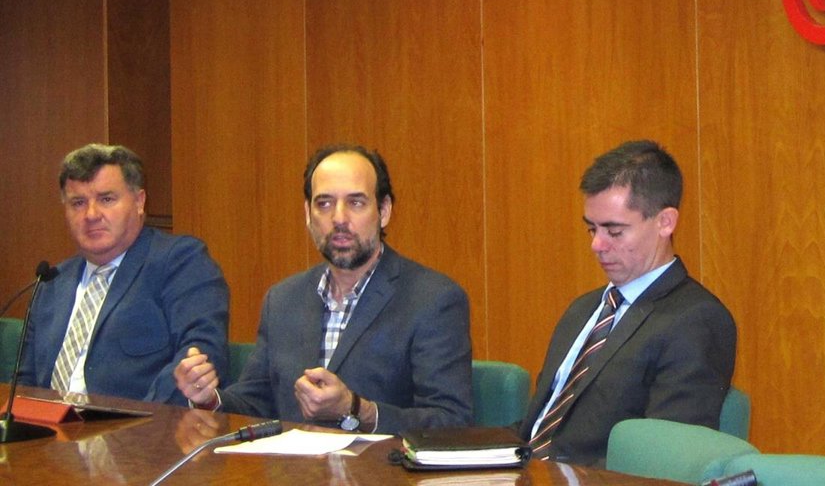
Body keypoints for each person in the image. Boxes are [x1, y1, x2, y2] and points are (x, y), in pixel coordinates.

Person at [174, 144, 473, 433]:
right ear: (308, 214)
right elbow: (256, 403)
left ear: (383, 211)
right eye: (324, 203)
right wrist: (209, 399)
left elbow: (451, 422)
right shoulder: (283, 299)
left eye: (356, 203)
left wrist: (357, 409)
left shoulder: (432, 299)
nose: (339, 218)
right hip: (292, 465)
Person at [520, 140, 737, 467]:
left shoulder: (696, 320)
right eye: (591, 229)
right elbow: (538, 429)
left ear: (665, 222)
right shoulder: (582, 310)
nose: (597, 245)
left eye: (615, 231)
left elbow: (664, 460)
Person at [18, 143, 230, 405]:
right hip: (47, 428)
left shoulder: (179, 261)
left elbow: (198, 356)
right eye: (78, 203)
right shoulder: (52, 281)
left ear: (139, 201)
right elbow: (24, 383)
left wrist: (141, 421)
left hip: (140, 425)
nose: (91, 215)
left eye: (106, 199)